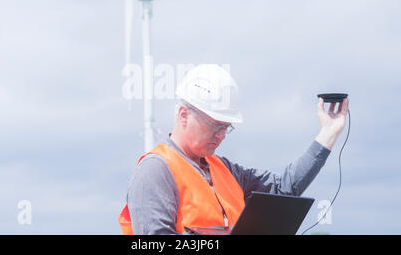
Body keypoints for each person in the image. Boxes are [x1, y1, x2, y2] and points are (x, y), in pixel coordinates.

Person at [118, 64, 349, 235]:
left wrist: (328, 134)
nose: (220, 135)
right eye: (215, 125)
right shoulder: (155, 171)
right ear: (183, 115)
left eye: (226, 128)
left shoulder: (226, 171)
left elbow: (283, 188)